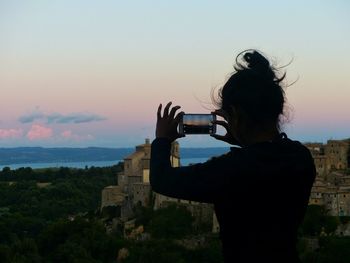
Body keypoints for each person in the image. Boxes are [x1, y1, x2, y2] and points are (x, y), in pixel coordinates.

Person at [150, 50, 316, 263]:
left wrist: (162, 139)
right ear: (277, 111)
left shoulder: (231, 170)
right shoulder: (300, 158)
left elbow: (162, 180)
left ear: (235, 115)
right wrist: (243, 139)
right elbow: (265, 158)